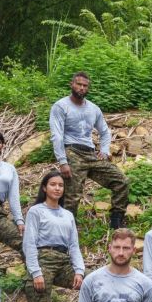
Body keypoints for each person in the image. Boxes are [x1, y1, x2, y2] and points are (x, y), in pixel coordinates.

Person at [21, 171, 85, 302]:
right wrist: (35, 272)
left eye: (60, 185)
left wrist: (79, 271)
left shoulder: (67, 215)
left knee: (94, 283)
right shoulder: (36, 211)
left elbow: (74, 245)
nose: (57, 188)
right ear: (44, 188)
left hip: (63, 260)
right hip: (43, 259)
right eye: (53, 184)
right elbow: (29, 243)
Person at [49, 71, 128, 229]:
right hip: (71, 151)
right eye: (79, 84)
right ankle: (67, 229)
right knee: (72, 195)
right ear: (72, 84)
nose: (82, 88)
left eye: (85, 86)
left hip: (91, 153)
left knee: (121, 180)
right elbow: (56, 135)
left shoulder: (93, 109)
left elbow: (105, 132)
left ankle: (116, 220)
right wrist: (63, 161)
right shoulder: (61, 106)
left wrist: (104, 151)